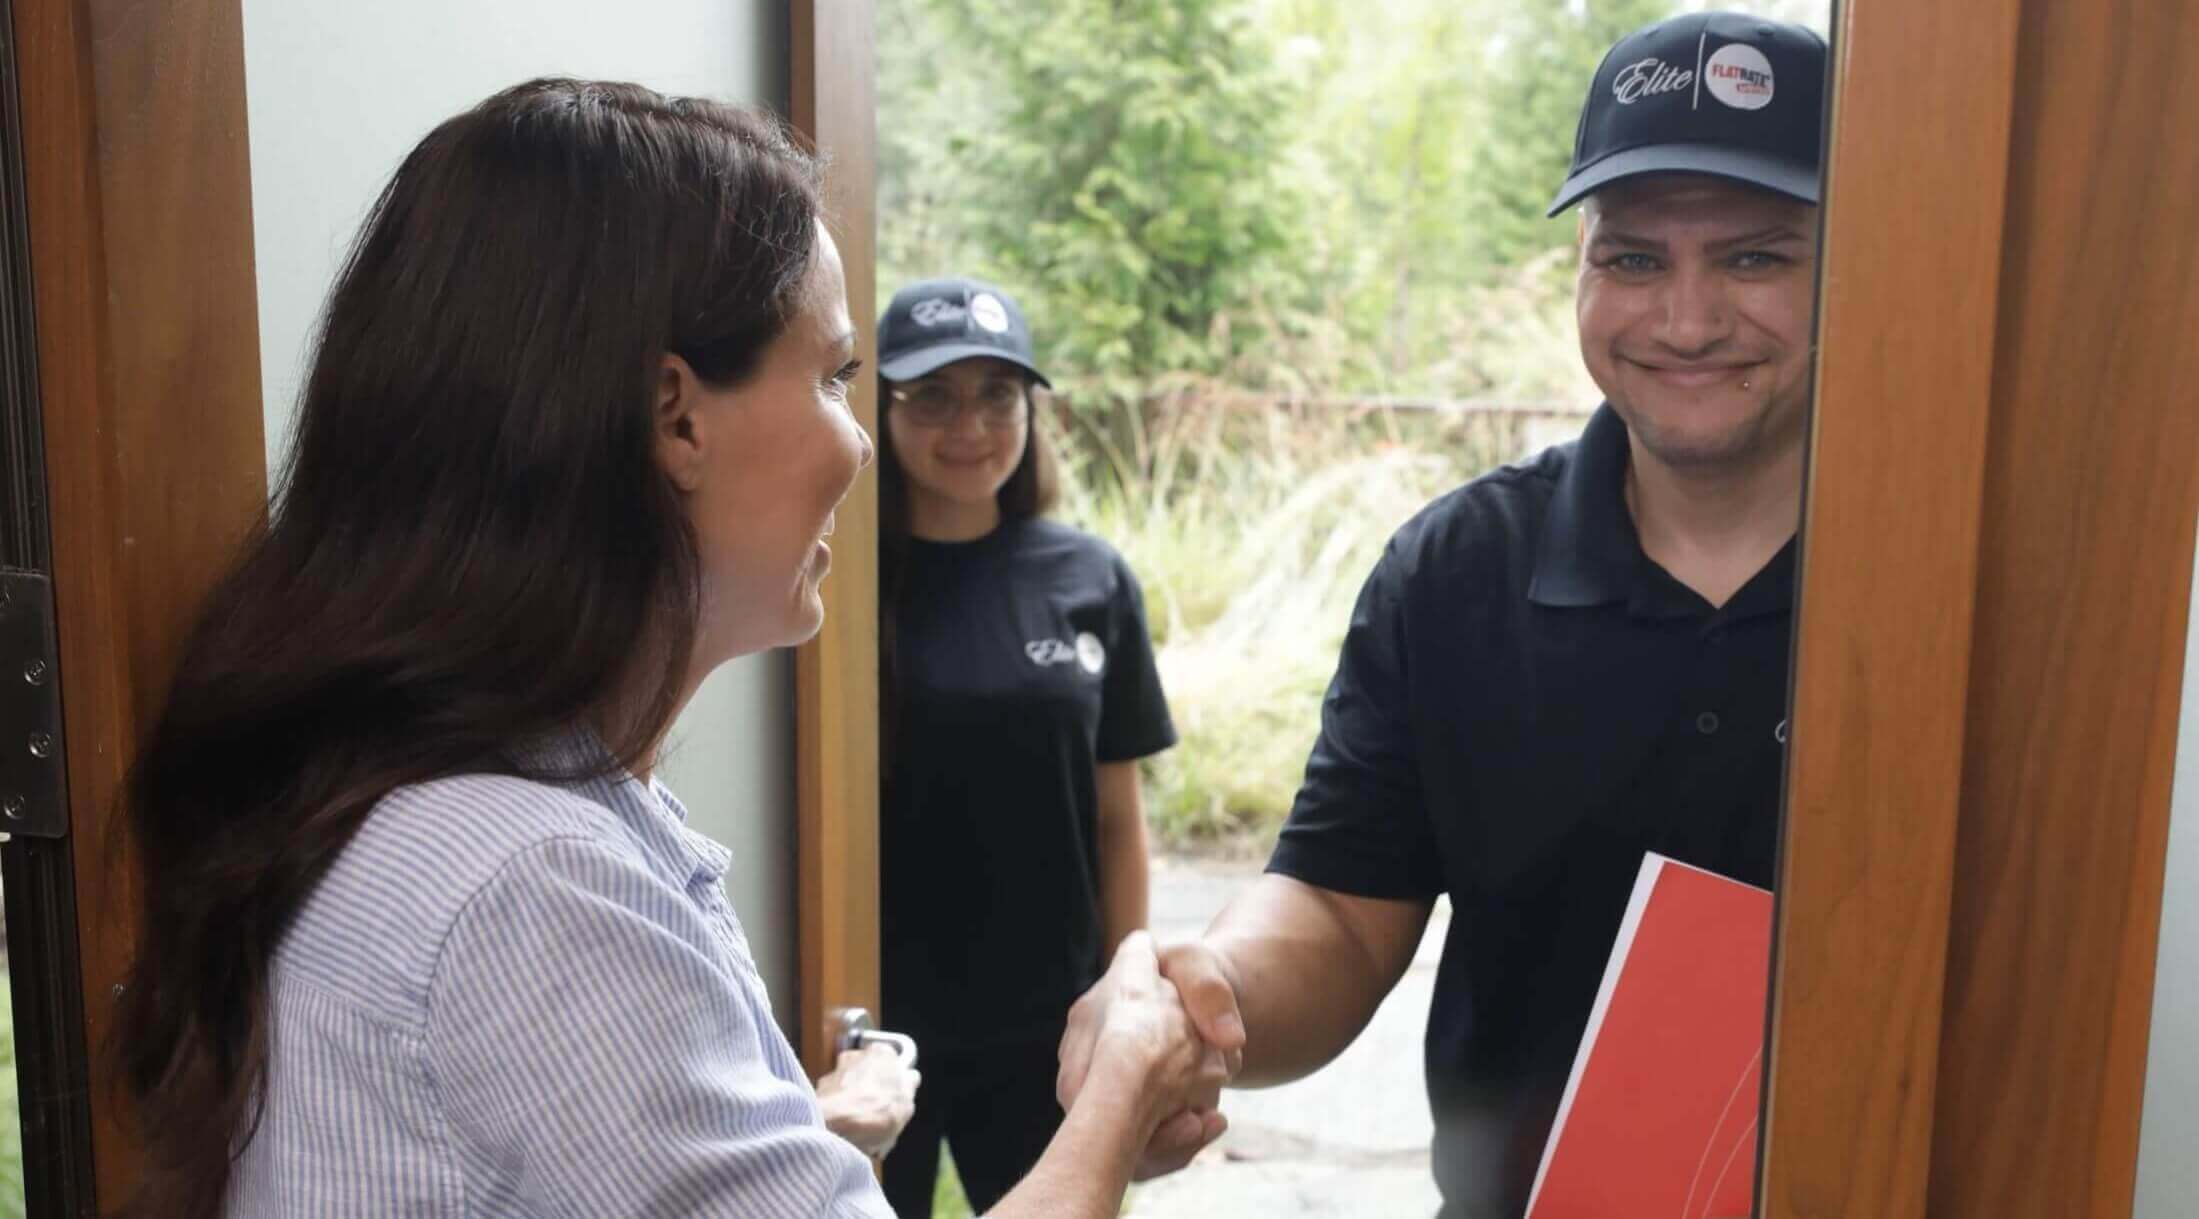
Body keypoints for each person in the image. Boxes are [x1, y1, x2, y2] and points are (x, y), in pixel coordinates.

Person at [111, 78, 1225, 1219]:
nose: (856, 445)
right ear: (675, 416)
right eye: (837, 377)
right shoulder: (535, 888)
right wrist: (1125, 1084)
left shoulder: (431, 799)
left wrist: (801, 1126)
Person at [1056, 12, 1828, 1217]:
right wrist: (1211, 989)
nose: (1685, 320)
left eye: (1755, 258)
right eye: (1631, 259)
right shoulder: (1456, 570)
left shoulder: (1946, 585)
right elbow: (1342, 915)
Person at [869, 278, 1179, 1216]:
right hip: (879, 1028)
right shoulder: (839, 584)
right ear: (883, 411)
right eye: (933, 396)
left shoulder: (1088, 578)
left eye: (996, 395)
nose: (969, 424)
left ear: (1030, 411)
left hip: (1044, 1023)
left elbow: (1116, 816)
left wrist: (1126, 992)